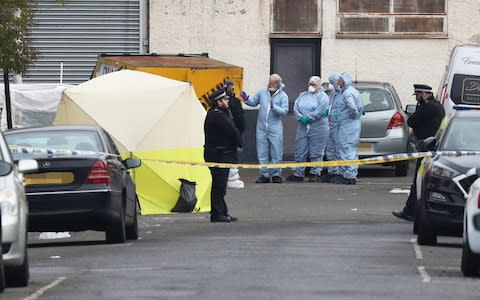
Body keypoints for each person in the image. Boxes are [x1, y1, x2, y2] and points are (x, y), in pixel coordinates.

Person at [392, 84, 445, 221]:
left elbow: (411, 121)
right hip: (434, 148)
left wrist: (417, 110)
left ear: (423, 94)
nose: (416, 98)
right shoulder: (437, 105)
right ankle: (414, 211)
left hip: (426, 149)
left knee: (418, 182)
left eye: (417, 95)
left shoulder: (426, 106)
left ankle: (410, 212)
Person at [241, 74, 289, 183]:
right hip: (262, 126)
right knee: (262, 151)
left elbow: (285, 111)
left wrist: (274, 107)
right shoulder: (262, 91)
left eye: (272, 82)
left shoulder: (283, 96)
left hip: (275, 127)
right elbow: (253, 102)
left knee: (276, 150)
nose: (269, 84)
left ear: (277, 84)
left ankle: (276, 174)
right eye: (269, 81)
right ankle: (265, 175)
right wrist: (246, 99)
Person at [204, 89, 243, 222]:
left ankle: (222, 211)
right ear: (219, 102)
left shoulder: (219, 113)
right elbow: (231, 130)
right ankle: (217, 213)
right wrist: (240, 143)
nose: (227, 102)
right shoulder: (218, 116)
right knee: (219, 186)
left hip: (219, 154)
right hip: (219, 155)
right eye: (225, 100)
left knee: (220, 185)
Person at [286, 76, 330, 182]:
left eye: (314, 84)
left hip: (318, 127)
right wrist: (300, 117)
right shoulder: (303, 95)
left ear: (319, 85)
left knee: (317, 151)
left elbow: (320, 110)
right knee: (300, 150)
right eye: (310, 83)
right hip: (303, 127)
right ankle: (298, 173)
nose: (311, 86)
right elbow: (296, 108)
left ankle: (315, 172)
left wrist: (309, 117)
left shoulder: (322, 96)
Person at [332, 72, 362, 185]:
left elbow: (353, 108)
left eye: (339, 80)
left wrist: (352, 116)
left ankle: (349, 175)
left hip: (348, 125)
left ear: (344, 81)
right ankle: (348, 173)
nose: (337, 82)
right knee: (349, 149)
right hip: (350, 124)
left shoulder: (347, 93)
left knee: (347, 148)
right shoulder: (352, 91)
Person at [224, 80, 245, 189]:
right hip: (234, 133)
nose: (233, 91)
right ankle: (232, 179)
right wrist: (240, 133)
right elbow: (240, 120)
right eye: (232, 89)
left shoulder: (217, 106)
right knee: (233, 156)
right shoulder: (235, 102)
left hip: (225, 136)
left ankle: (228, 178)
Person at [322, 73, 342, 183]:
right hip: (332, 125)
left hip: (340, 126)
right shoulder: (334, 94)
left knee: (339, 150)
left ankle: (340, 172)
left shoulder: (345, 94)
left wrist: (337, 115)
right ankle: (332, 172)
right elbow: (330, 105)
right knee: (331, 150)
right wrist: (328, 111)